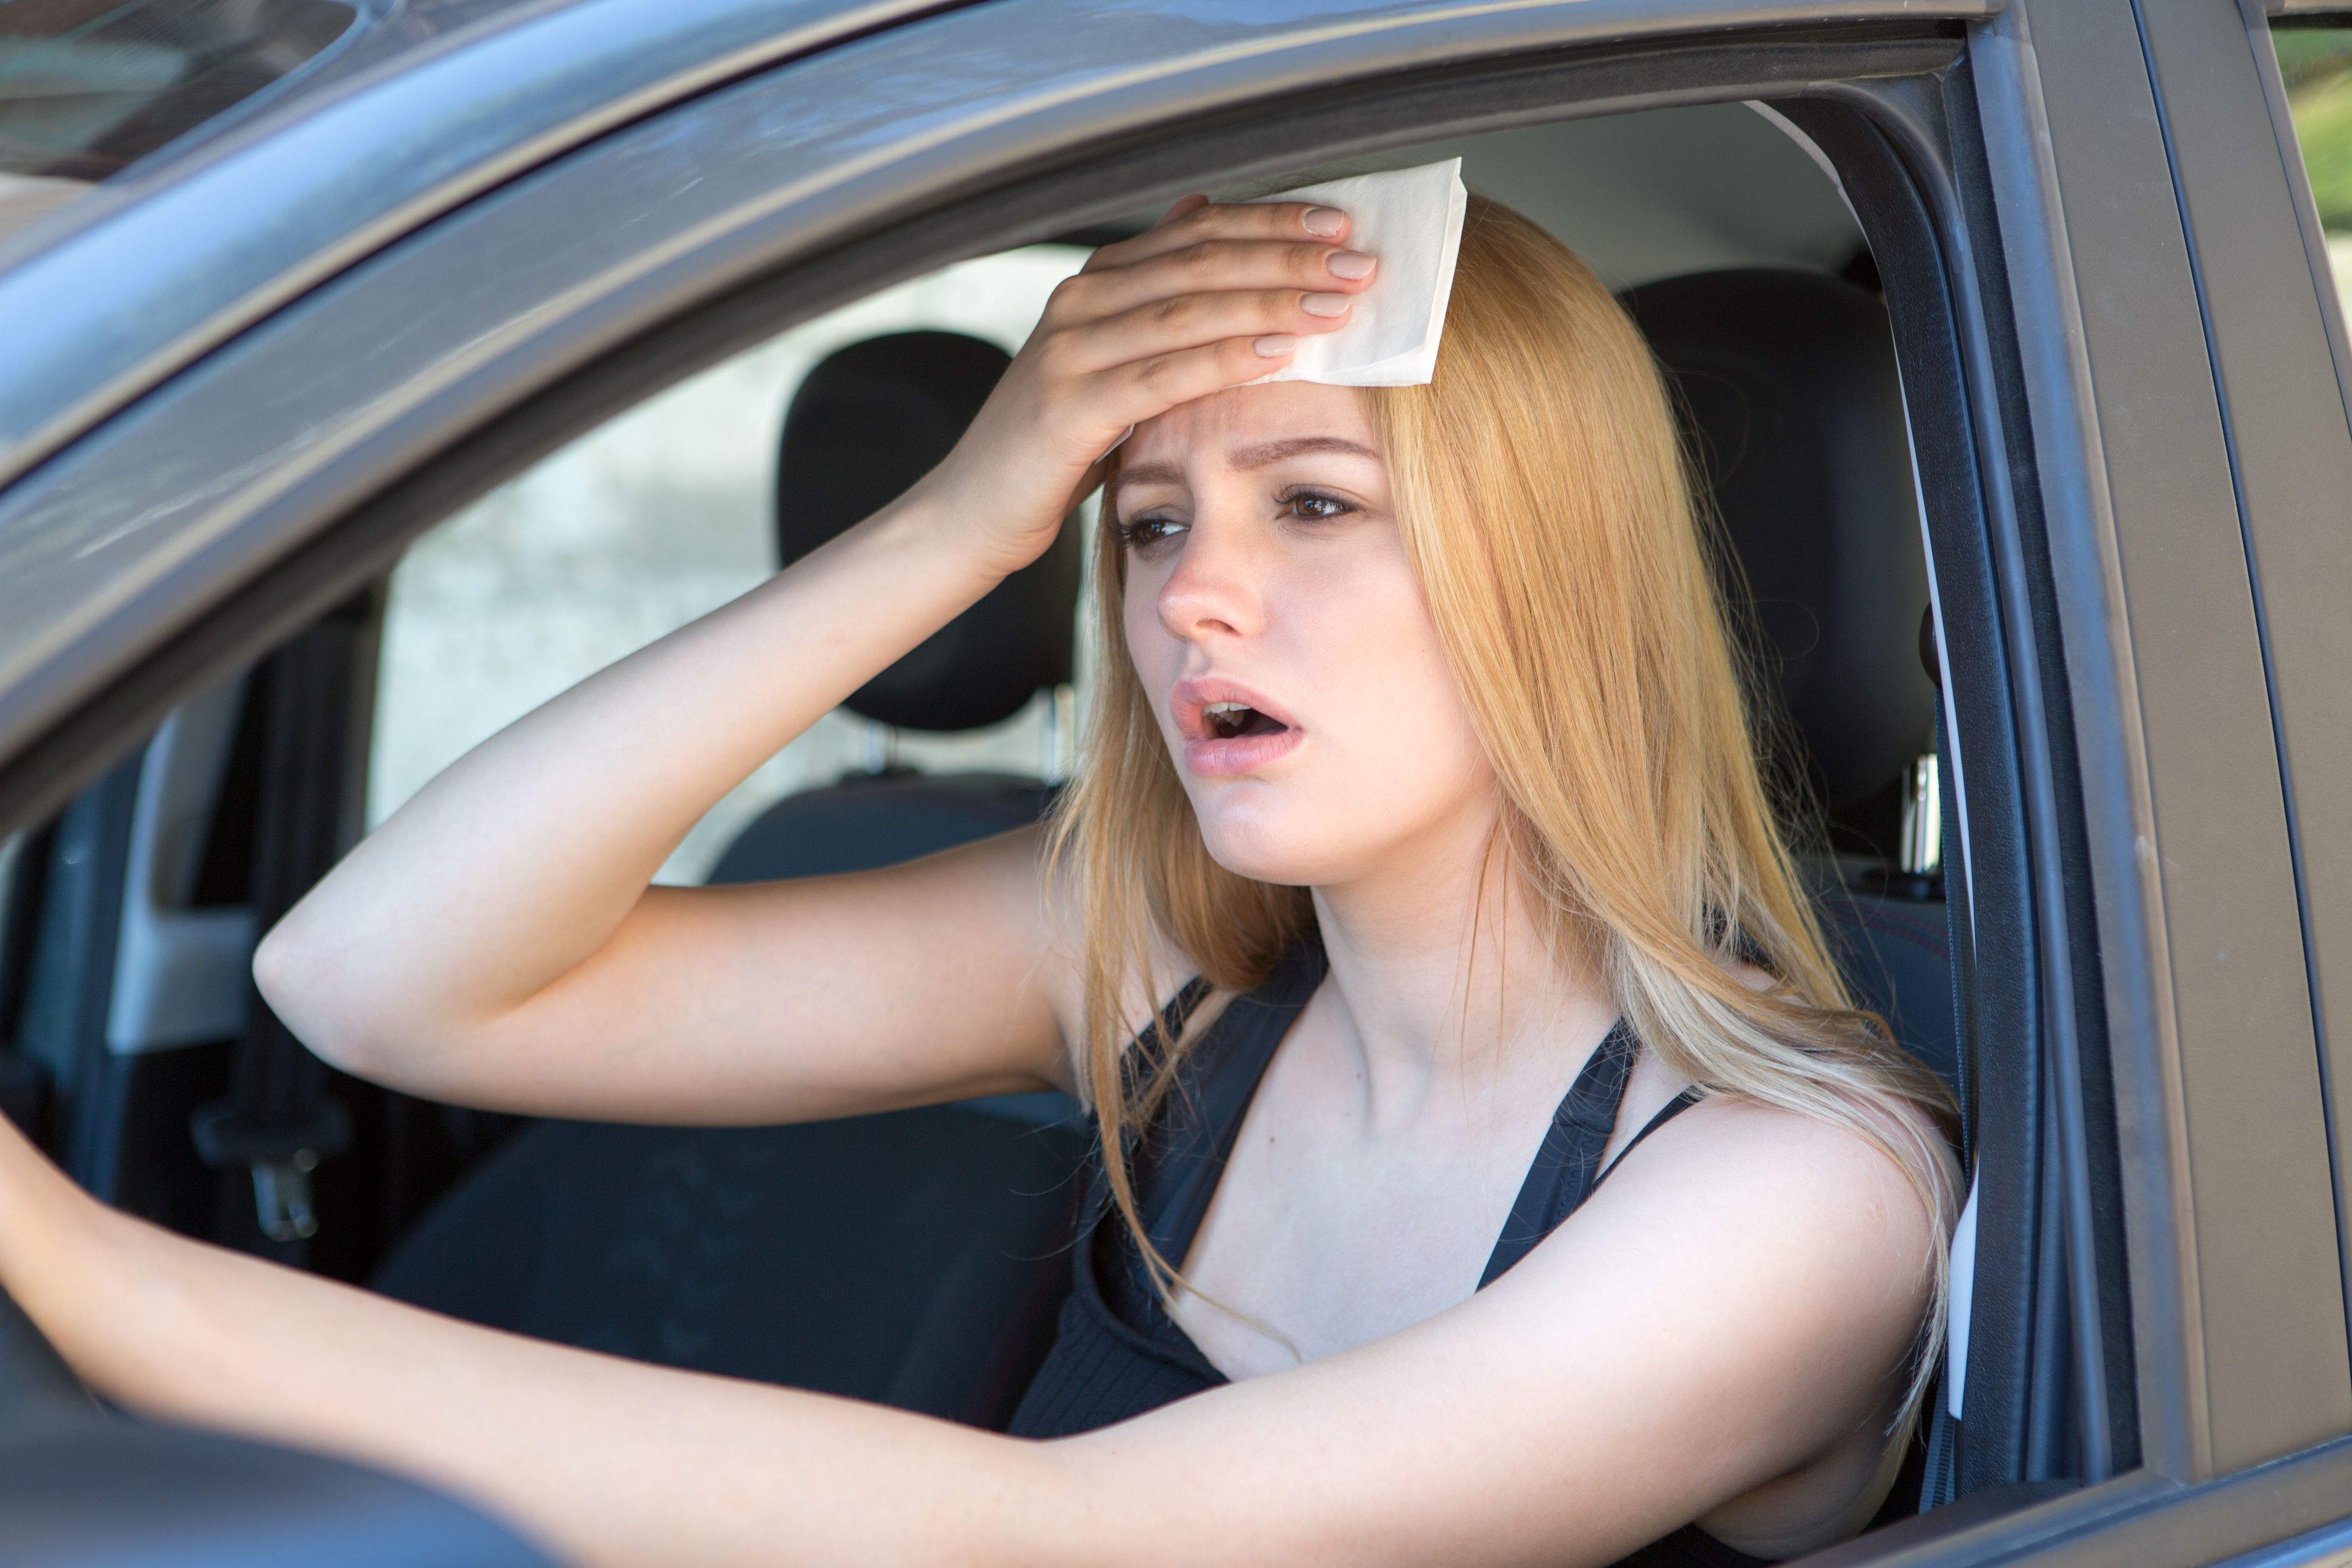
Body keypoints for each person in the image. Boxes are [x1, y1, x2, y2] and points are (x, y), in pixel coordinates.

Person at [0, 190, 1957, 1567]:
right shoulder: (1169, 969)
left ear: (1559, 573)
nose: (1190, 596)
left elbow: (1063, 1541)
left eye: (1316, 503)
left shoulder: (1802, 1192)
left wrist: (90, 1274)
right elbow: (372, 980)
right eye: (1149, 521)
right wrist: (960, 519)